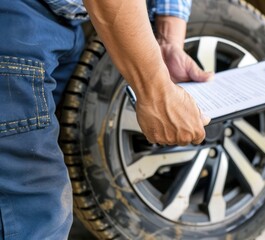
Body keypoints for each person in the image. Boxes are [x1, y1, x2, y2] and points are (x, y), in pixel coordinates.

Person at [0, 0, 212, 239]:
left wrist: (168, 43)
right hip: (14, 22)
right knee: (36, 210)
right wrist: (156, 89)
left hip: (63, 24)